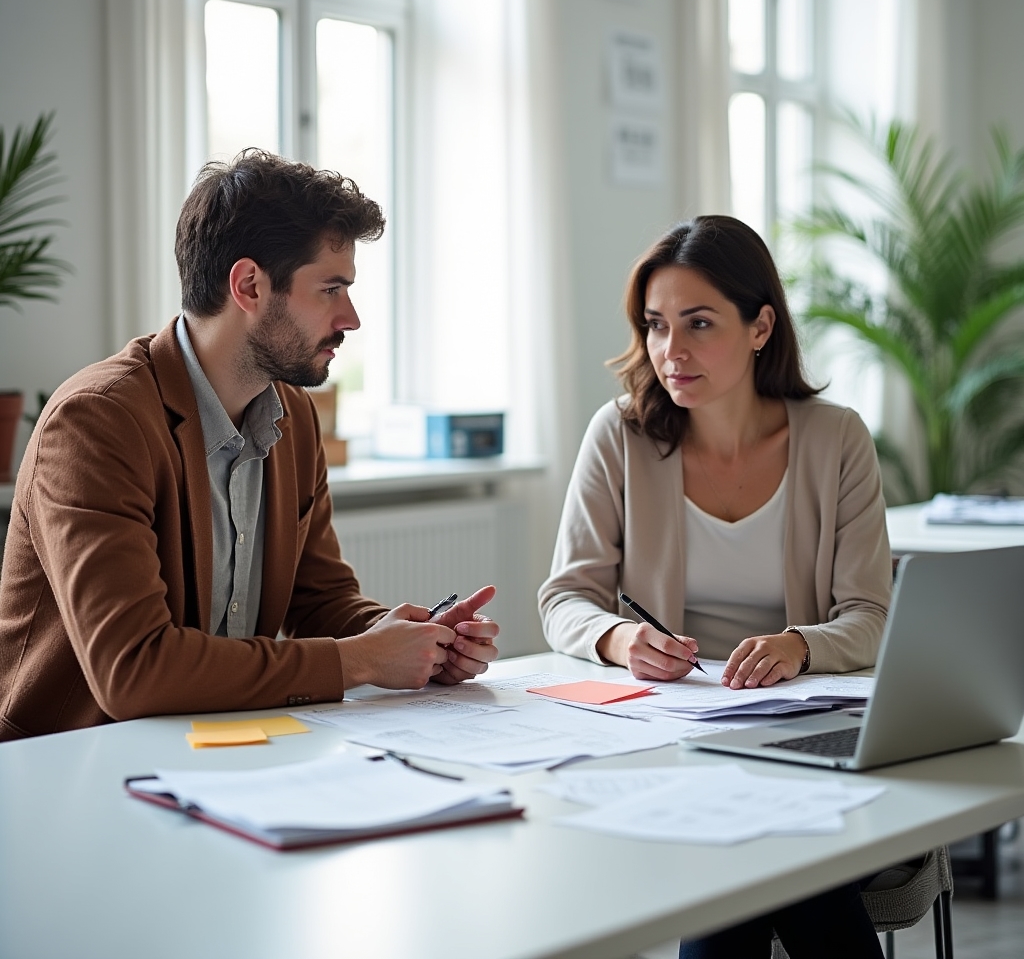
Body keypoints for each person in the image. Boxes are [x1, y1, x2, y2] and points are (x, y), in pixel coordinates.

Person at [0, 150, 499, 741]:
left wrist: (415, 639)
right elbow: (132, 670)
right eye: (331, 289)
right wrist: (360, 661)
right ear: (249, 285)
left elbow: (321, 601)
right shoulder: (96, 422)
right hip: (70, 764)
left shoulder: (295, 416)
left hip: (221, 747)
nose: (352, 318)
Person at [539, 216, 891, 958]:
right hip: (668, 736)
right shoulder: (621, 435)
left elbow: (871, 616)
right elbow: (565, 597)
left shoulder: (836, 440)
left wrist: (801, 645)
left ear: (761, 326)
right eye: (656, 325)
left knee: (757, 864)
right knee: (784, 870)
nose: (672, 351)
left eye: (699, 324)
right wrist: (621, 635)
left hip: (800, 734)